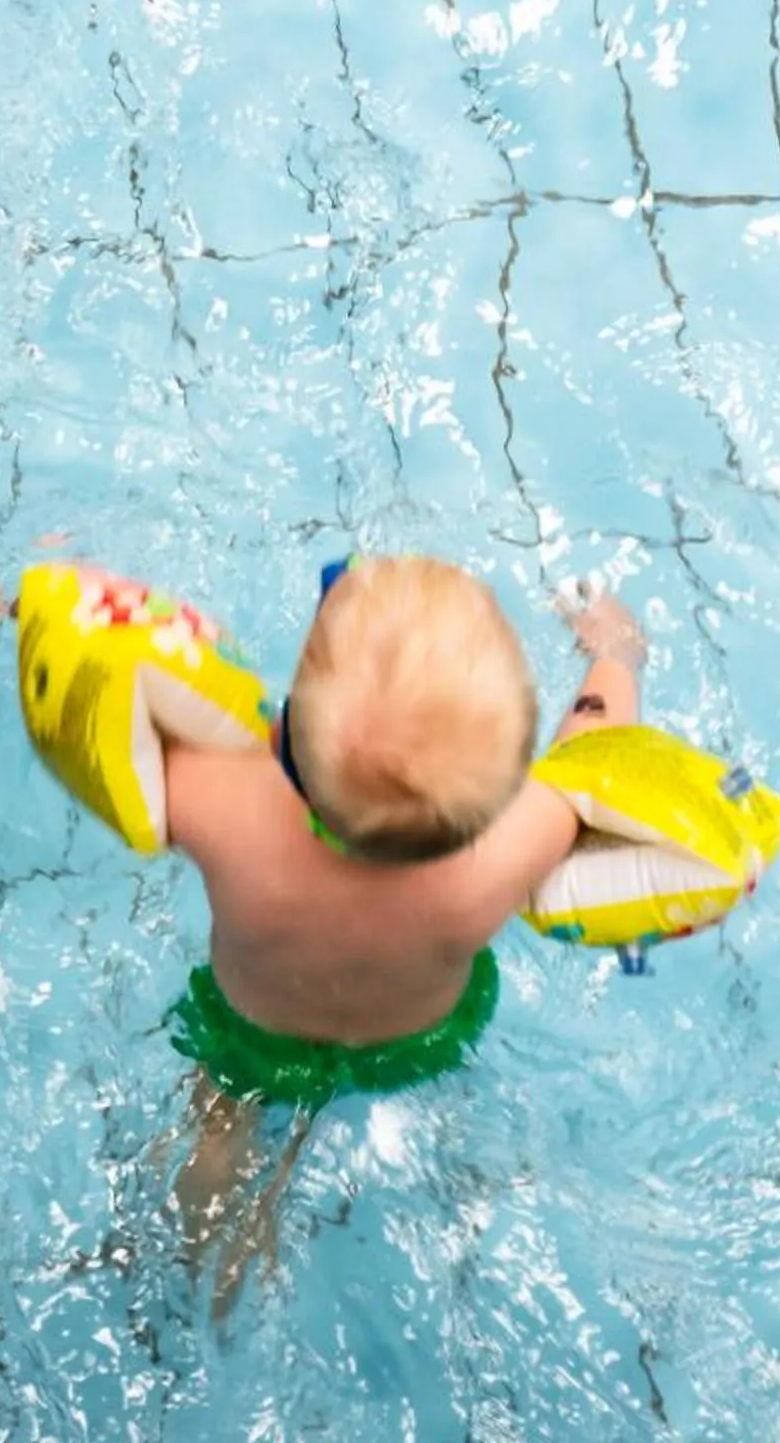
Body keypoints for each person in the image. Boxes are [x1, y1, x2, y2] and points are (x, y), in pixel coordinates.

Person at [159, 558, 642, 1305]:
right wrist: (615, 652)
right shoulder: (509, 851)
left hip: (249, 1040)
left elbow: (130, 733)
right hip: (416, 1046)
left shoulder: (219, 807)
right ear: (509, 787)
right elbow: (596, 753)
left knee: (219, 1131)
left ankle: (209, 1263)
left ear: (283, 730)